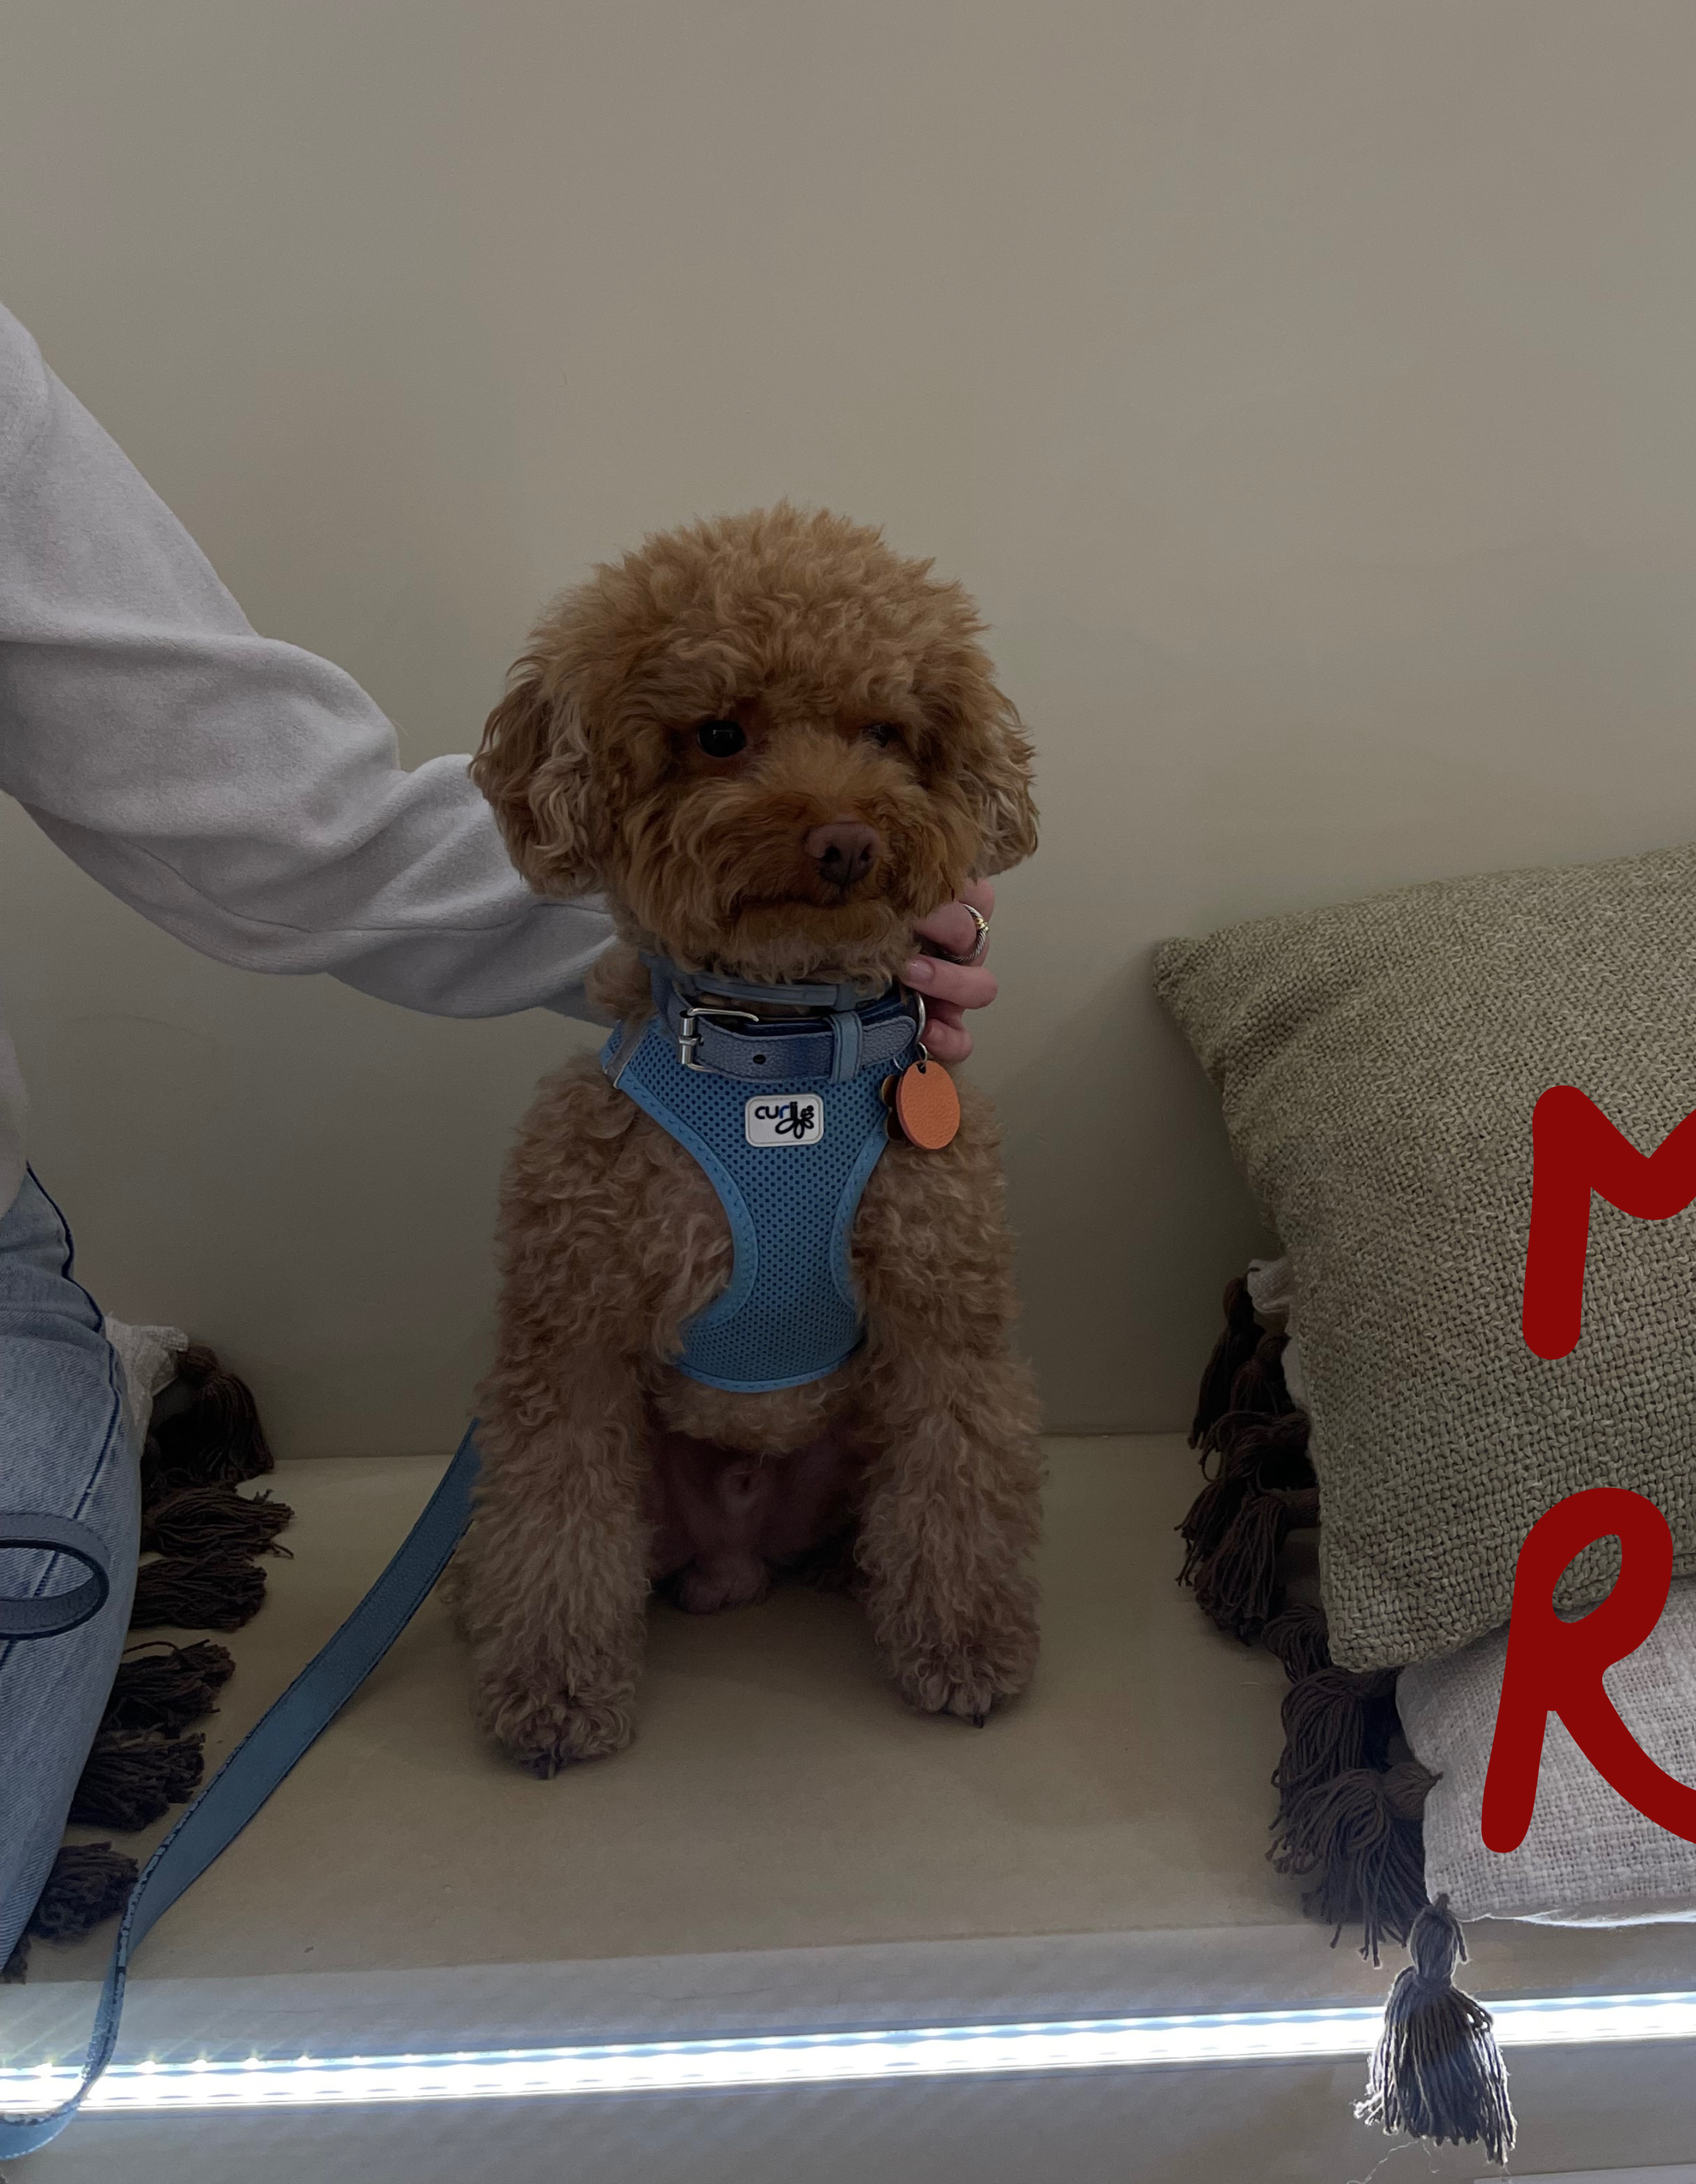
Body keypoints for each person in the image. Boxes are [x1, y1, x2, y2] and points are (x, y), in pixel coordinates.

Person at [0, 298, 996, 1967]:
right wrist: (669, 899)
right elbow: (557, 1397)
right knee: (561, 1383)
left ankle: (947, 1610)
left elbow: (294, 830)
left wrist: (807, 931)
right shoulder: (603, 1125)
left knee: (948, 1361)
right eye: (724, 739)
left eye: (878, 739)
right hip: (649, 1400)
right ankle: (554, 1659)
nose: (831, 807)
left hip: (824, 1355)